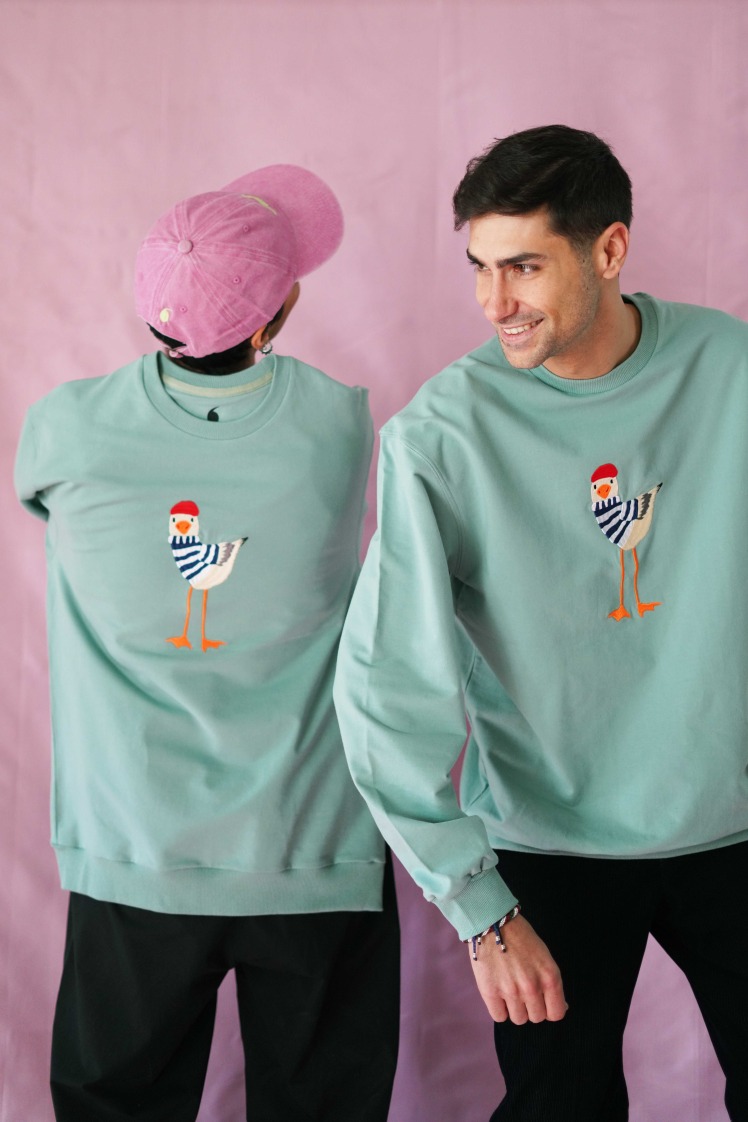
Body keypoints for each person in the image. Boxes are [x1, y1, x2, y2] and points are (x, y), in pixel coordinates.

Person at [333, 124, 748, 1121]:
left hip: (732, 826)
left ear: (608, 250)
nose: (494, 302)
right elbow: (387, 690)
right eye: (479, 267)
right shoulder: (442, 436)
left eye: (522, 266)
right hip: (547, 846)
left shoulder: (732, 370)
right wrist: (480, 912)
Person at [15, 164, 399, 1122]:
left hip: (134, 851)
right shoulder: (337, 423)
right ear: (280, 312)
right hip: (311, 851)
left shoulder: (62, 429)